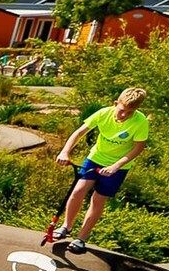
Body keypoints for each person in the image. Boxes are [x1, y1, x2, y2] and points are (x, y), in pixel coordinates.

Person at [44, 86, 150, 255]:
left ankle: (81, 238)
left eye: (129, 112)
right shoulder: (104, 113)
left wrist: (116, 166)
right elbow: (79, 133)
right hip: (95, 159)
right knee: (78, 191)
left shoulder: (140, 121)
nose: (124, 115)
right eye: (122, 110)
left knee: (98, 199)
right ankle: (66, 226)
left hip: (118, 166)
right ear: (116, 103)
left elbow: (138, 148)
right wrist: (65, 151)